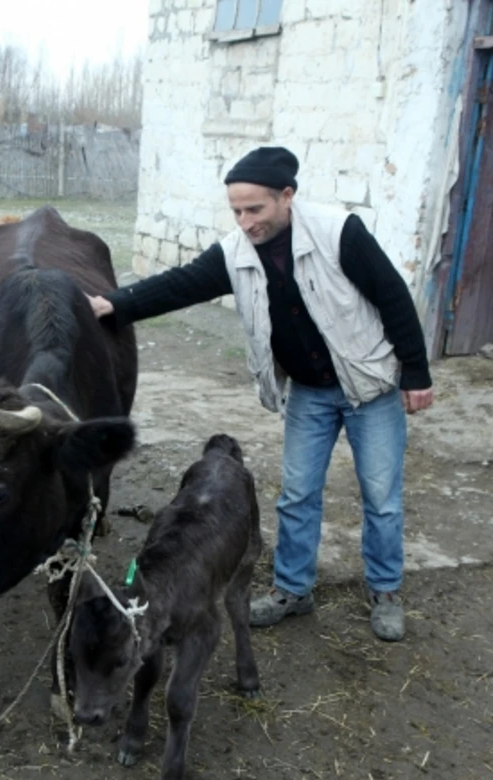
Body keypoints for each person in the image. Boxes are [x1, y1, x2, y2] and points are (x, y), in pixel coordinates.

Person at [88, 146, 434, 642]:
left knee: (381, 498)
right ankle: (293, 590)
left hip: (371, 388)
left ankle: (385, 591)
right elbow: (182, 284)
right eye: (236, 211)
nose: (246, 221)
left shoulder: (341, 233)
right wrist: (115, 304)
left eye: (256, 209)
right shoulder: (236, 251)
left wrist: (416, 373)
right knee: (297, 496)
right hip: (310, 393)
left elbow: (393, 297)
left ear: (286, 196)